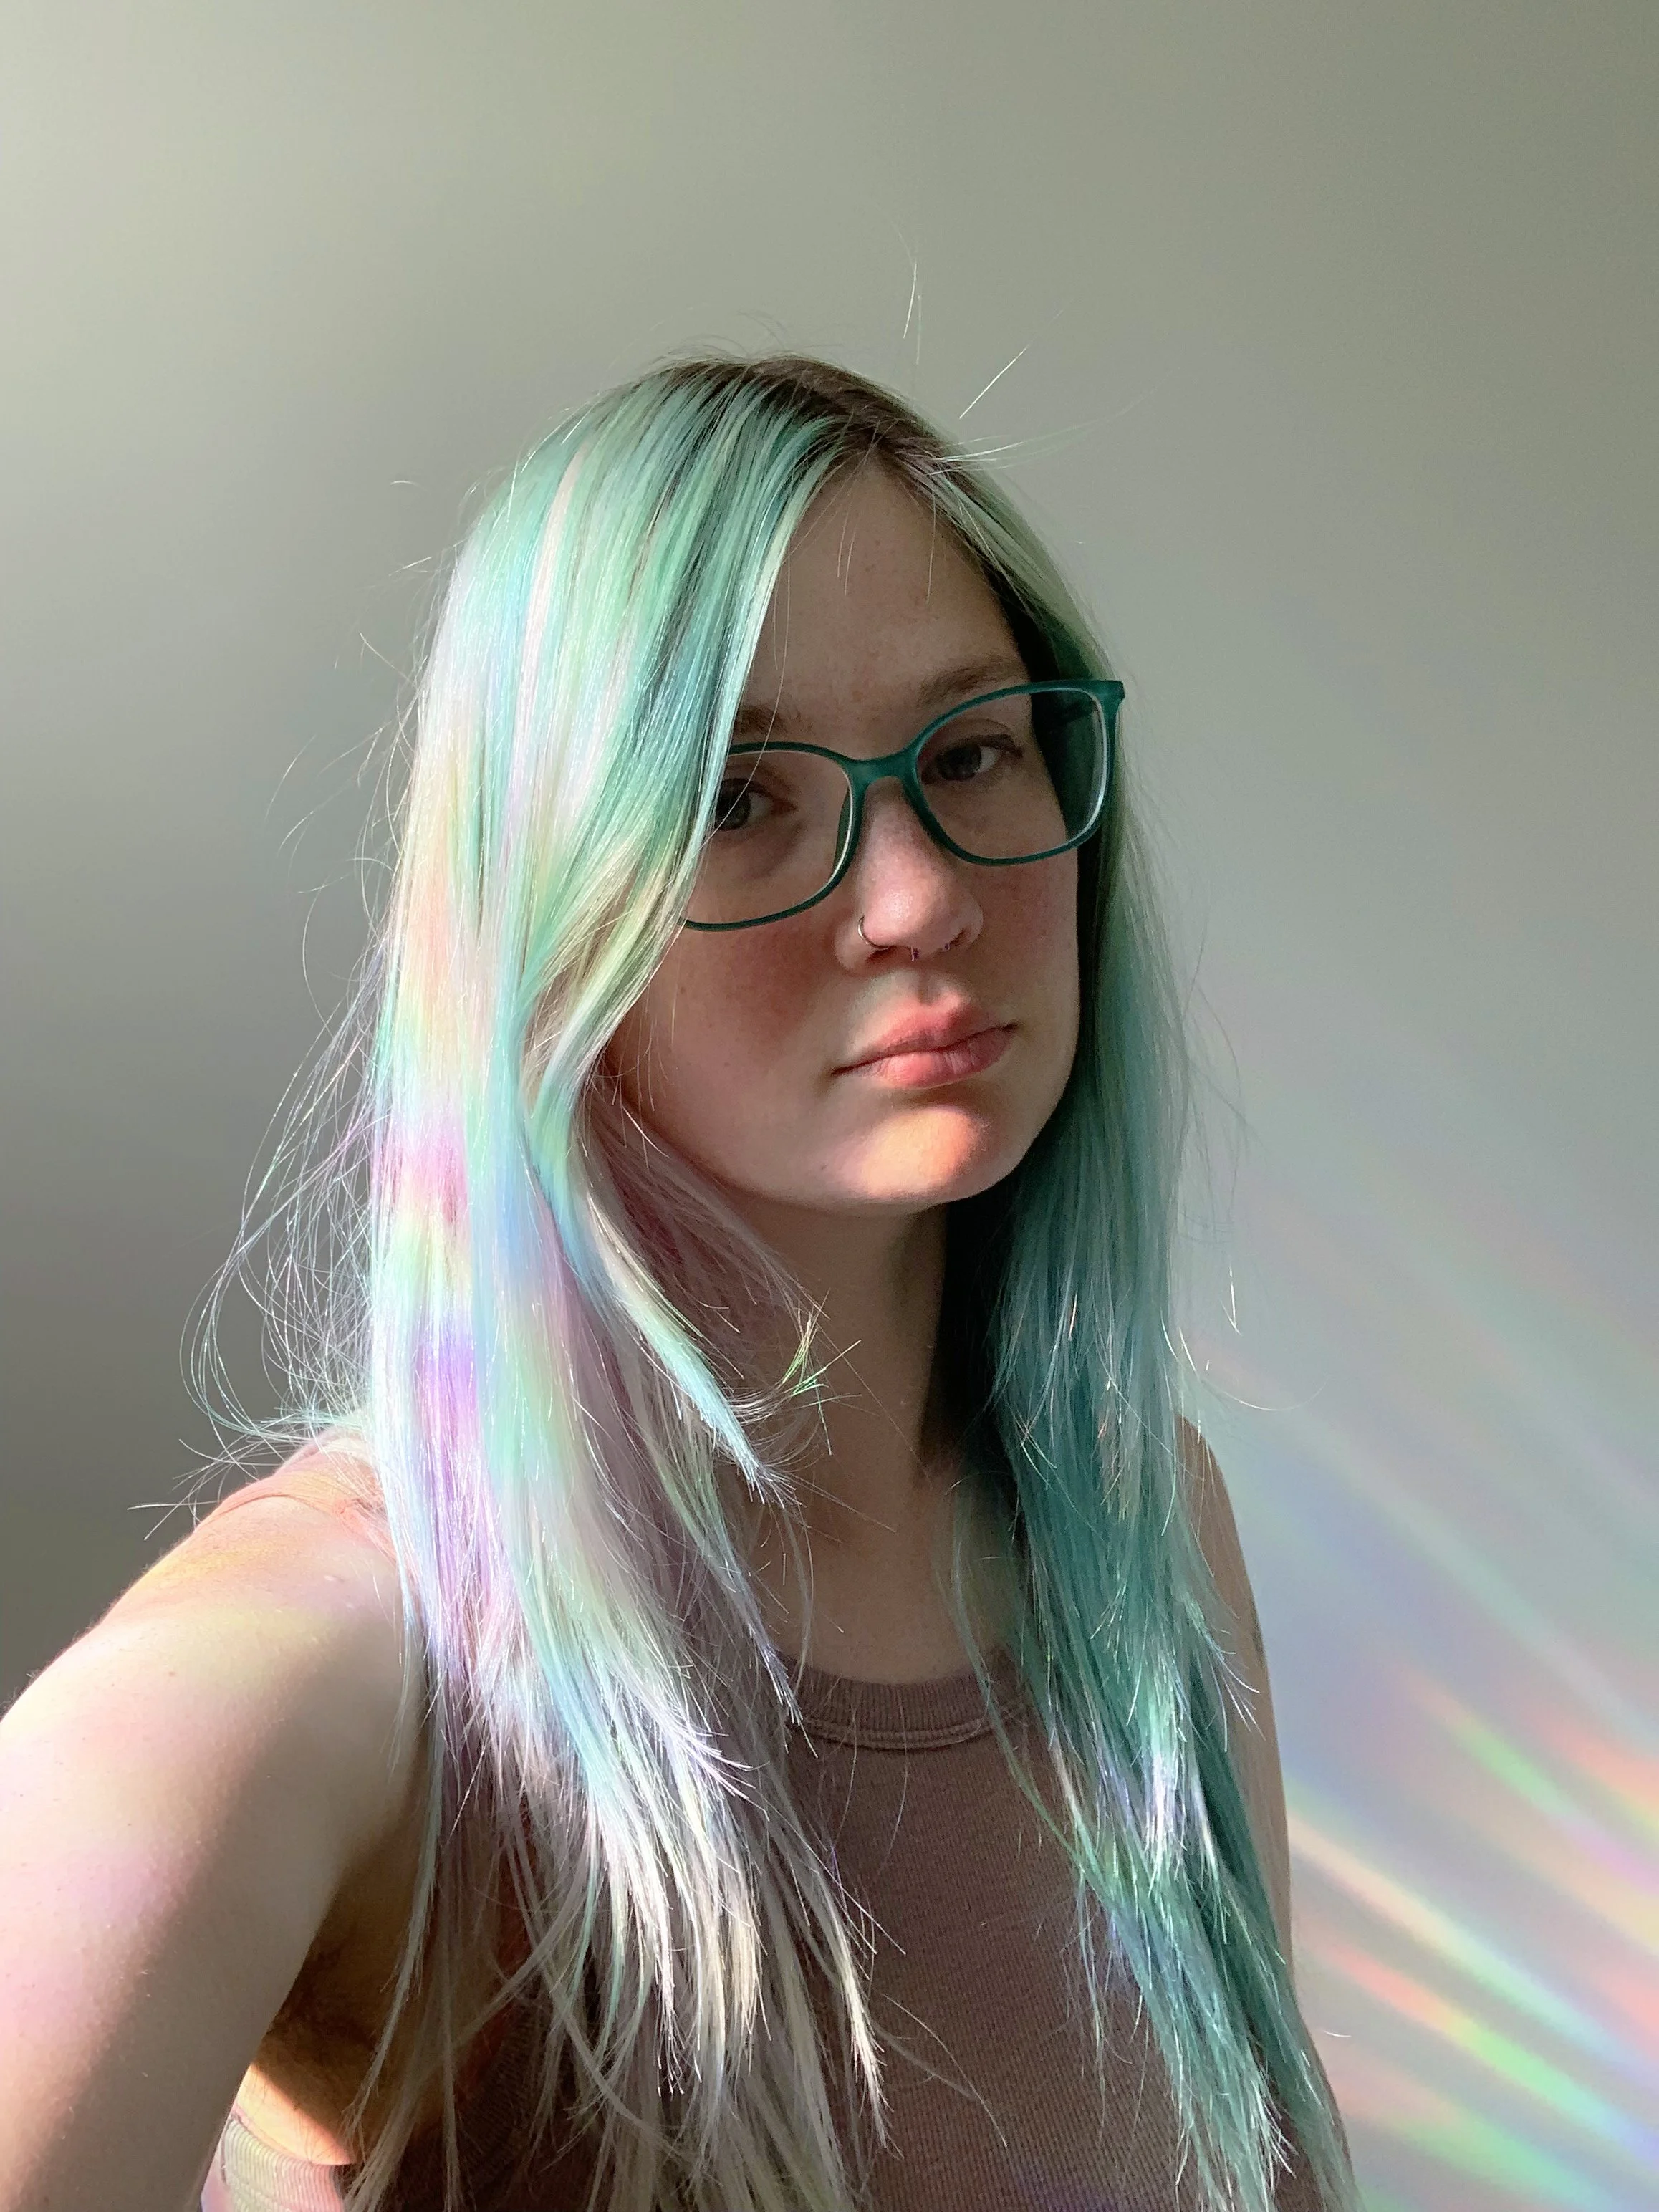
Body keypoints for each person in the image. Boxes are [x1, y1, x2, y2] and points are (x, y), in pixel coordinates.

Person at [0, 356, 1357, 2212]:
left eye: (971, 752)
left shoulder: (1136, 1532)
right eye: (733, 796)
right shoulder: (343, 1648)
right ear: (544, 907)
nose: (916, 897)